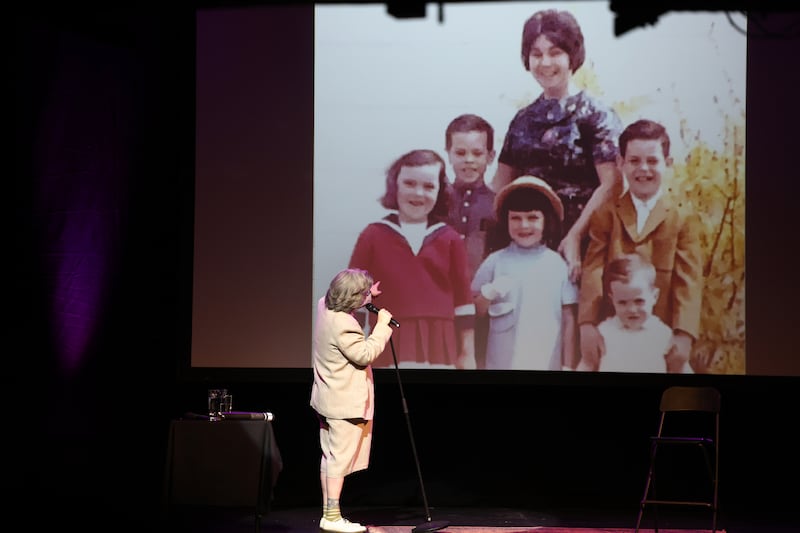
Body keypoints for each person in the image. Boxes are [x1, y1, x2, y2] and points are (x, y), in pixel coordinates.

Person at [489, 8, 623, 283]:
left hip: (585, 247)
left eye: (555, 52)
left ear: (572, 55)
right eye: (536, 54)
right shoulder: (523, 119)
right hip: (527, 246)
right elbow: (499, 185)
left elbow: (611, 184)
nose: (545, 62)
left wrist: (574, 236)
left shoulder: (596, 114)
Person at [577, 119, 704, 373]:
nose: (643, 169)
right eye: (634, 161)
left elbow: (689, 280)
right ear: (620, 163)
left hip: (661, 336)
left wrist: (684, 333)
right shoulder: (607, 213)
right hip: (613, 333)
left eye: (653, 161)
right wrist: (587, 324)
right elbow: (592, 270)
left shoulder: (682, 218)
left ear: (667, 164)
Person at [349, 149, 476, 369]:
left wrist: (467, 353)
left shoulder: (450, 238)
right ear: (394, 185)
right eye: (409, 183)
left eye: (428, 186)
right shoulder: (372, 235)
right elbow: (355, 300)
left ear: (441, 191)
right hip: (387, 341)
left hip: (440, 344)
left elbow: (464, 301)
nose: (418, 193)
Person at [310, 268, 395, 533]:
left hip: (328, 399)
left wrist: (367, 297)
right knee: (338, 461)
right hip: (344, 404)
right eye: (365, 292)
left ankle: (330, 512)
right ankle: (332, 517)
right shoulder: (344, 325)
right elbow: (364, 354)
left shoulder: (324, 307)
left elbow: (332, 297)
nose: (369, 294)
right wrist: (382, 326)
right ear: (353, 297)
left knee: (330, 456)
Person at [471, 175, 578, 370]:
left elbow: (569, 319)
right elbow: (475, 312)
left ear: (547, 220)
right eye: (516, 218)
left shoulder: (557, 264)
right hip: (502, 365)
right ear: (506, 220)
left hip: (546, 364)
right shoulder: (496, 261)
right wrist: (488, 293)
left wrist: (568, 366)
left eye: (533, 218)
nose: (524, 225)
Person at [577, 253, 693, 373]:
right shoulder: (604, 332)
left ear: (655, 296)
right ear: (612, 300)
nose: (632, 310)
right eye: (622, 302)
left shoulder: (663, 335)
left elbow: (683, 370)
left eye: (639, 301)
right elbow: (587, 365)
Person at [444, 113, 496, 368]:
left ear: (490, 156)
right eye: (460, 152)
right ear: (449, 153)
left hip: (482, 313)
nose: (468, 160)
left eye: (477, 153)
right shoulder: (434, 203)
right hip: (440, 310)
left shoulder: (499, 205)